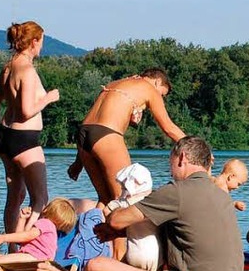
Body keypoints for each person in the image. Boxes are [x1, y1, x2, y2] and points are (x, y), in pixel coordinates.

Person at [48, 137, 243, 271]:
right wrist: (123, 232)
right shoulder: (221, 195)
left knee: (96, 266)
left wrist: (116, 216)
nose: (170, 169)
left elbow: (116, 219)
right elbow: (188, 232)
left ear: (182, 158)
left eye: (171, 162)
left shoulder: (177, 191)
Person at [68, 69, 185, 206]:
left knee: (105, 199)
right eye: (162, 94)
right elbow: (169, 128)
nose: (161, 98)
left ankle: (92, 226)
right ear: (157, 81)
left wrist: (79, 162)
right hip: (106, 135)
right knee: (125, 198)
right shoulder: (149, 88)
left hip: (83, 135)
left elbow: (94, 126)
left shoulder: (116, 83)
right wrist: (196, 148)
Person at [0, 21, 60, 243]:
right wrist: (48, 98)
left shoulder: (7, 68)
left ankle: (11, 250)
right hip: (25, 141)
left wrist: (0, 131)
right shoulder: (27, 71)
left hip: (7, 139)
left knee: (16, 197)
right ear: (34, 42)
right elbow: (27, 110)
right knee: (40, 198)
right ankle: (29, 247)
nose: (42, 48)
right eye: (41, 43)